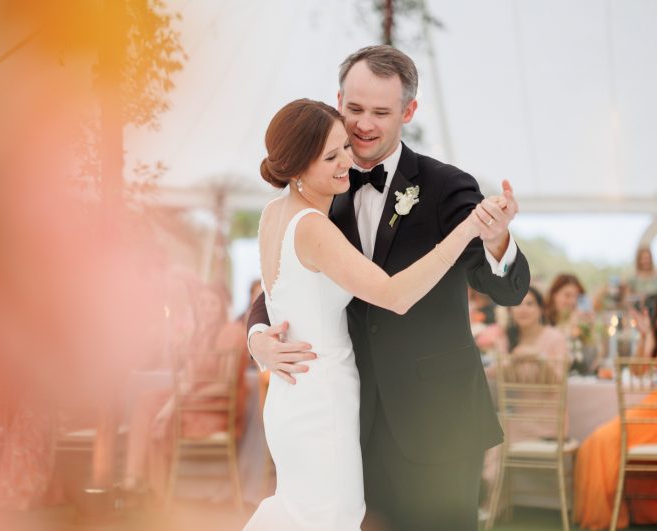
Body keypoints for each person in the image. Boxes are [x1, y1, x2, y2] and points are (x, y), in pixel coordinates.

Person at [247, 45, 530, 531]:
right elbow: (280, 285)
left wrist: (496, 236)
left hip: (436, 424)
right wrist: (257, 338)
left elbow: (506, 290)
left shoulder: (445, 186)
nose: (364, 125)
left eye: (381, 112)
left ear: (408, 112)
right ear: (338, 102)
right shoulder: (322, 188)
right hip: (352, 424)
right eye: (354, 109)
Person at [123, 281, 249, 498]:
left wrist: (175, 405)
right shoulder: (197, 335)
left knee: (163, 421)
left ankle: (155, 490)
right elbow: (189, 380)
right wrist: (171, 405)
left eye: (212, 304)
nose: (207, 309)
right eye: (202, 303)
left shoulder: (231, 332)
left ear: (222, 307)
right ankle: (135, 478)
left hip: (215, 406)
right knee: (148, 402)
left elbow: (224, 384)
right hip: (193, 400)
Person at [481, 287, 570, 511]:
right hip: (519, 418)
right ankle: (489, 499)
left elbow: (559, 380)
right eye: (517, 304)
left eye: (529, 303)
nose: (523, 309)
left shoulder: (555, 338)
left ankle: (489, 502)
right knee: (487, 428)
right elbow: (493, 372)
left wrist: (538, 358)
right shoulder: (507, 338)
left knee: (495, 433)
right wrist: (512, 360)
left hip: (550, 420)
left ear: (540, 308)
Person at [573, 300, 657, 529]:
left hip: (652, 414)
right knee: (597, 442)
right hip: (649, 410)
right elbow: (639, 371)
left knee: (604, 441)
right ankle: (609, 510)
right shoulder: (650, 338)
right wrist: (645, 336)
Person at [545, 273, 597, 373]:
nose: (572, 301)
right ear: (554, 295)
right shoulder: (543, 321)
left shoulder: (582, 326)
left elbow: (589, 364)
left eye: (577, 297)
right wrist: (568, 328)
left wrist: (590, 331)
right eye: (567, 295)